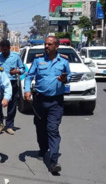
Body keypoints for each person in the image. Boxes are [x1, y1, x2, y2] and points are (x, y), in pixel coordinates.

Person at [24, 36, 71, 174]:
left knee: (53, 129)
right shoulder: (38, 60)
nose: (46, 46)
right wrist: (27, 90)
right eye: (45, 44)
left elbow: (69, 75)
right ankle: (43, 149)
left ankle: (53, 160)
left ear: (56, 46)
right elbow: (29, 76)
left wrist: (65, 78)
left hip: (56, 101)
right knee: (40, 128)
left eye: (49, 44)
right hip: (40, 100)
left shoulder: (63, 61)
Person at [0, 40, 25, 135]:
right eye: (2, 49)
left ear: (9, 48)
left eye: (6, 49)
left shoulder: (16, 56)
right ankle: (0, 124)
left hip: (12, 83)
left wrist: (16, 71)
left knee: (12, 105)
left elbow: (23, 69)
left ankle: (9, 125)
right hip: (0, 84)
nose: (4, 51)